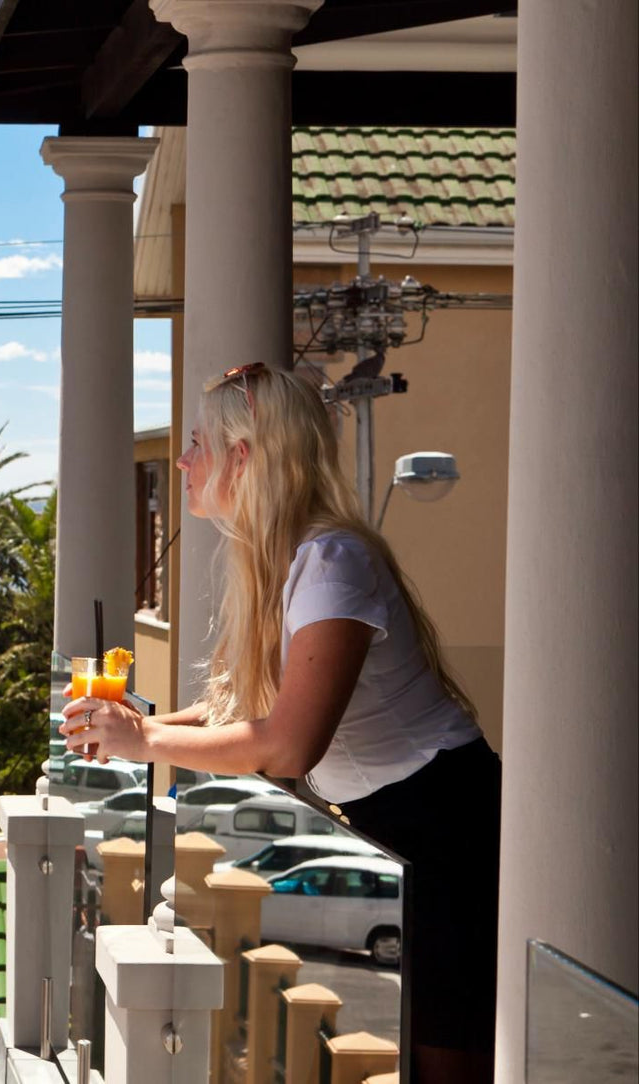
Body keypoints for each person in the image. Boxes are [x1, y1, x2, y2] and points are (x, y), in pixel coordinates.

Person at [60, 363, 501, 1084]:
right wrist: (132, 724)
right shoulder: (285, 560)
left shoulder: (331, 563)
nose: (181, 459)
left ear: (243, 456)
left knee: (447, 1062)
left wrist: (142, 740)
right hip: (405, 827)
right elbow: (240, 709)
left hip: (444, 828)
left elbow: (288, 743)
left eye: (198, 441)